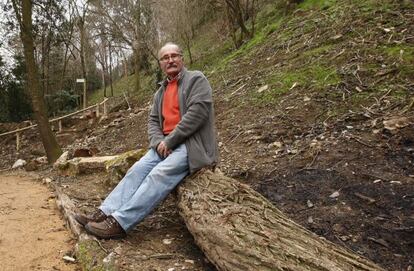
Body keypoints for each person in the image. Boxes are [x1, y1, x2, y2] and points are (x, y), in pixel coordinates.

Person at [75, 42, 218, 239]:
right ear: (160, 64)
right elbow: (152, 121)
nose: (170, 60)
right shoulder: (160, 91)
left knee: (158, 174)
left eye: (174, 55)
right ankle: (104, 212)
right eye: (165, 57)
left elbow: (198, 114)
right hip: (165, 144)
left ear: (182, 59)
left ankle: (120, 222)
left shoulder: (196, 79)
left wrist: (170, 141)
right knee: (137, 170)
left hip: (191, 144)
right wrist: (159, 141)